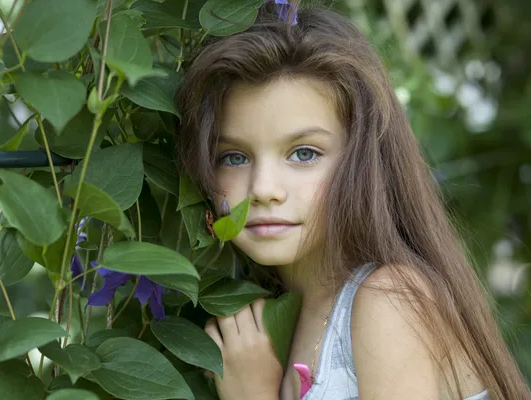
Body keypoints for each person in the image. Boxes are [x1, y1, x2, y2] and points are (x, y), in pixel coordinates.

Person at [175, 2, 531, 399]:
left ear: (362, 162)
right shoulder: (268, 315)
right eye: (234, 157)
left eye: (304, 153)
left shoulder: (390, 301)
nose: (263, 188)